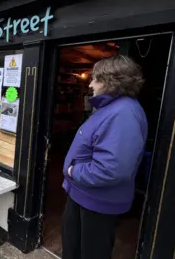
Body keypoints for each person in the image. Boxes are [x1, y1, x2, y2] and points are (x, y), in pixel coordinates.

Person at [61, 55, 148, 259]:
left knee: (91, 253)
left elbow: (111, 169)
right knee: (73, 248)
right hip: (84, 194)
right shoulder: (112, 108)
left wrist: (74, 170)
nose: (90, 84)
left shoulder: (123, 113)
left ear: (112, 81)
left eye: (95, 79)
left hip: (97, 200)